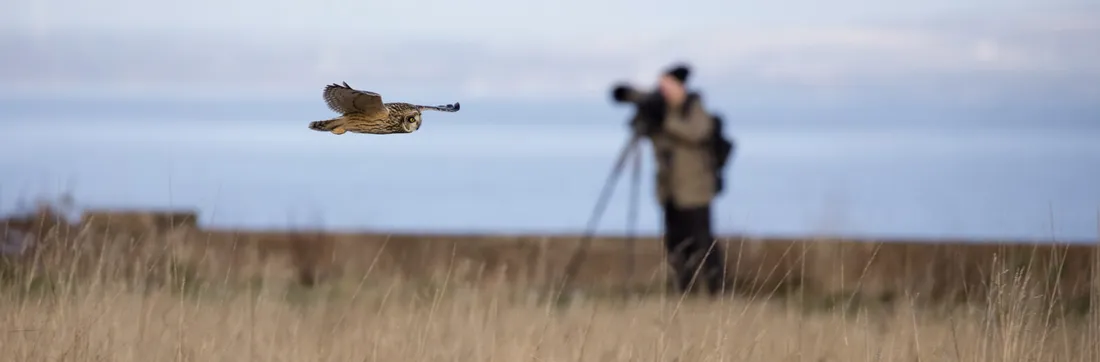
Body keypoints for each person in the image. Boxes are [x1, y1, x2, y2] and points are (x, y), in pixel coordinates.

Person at [644, 64, 728, 296]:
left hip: (696, 188)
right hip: (670, 190)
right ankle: (684, 288)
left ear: (678, 85)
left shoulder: (694, 107)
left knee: (702, 239)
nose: (662, 91)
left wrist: (666, 121)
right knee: (675, 242)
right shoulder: (664, 110)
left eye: (666, 85)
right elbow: (660, 145)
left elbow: (696, 132)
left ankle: (715, 289)